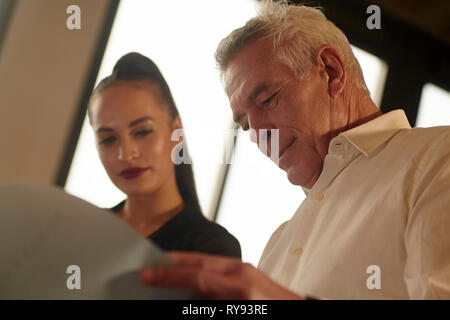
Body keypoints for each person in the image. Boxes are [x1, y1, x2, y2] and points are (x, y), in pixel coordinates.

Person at [138, 1, 450, 299]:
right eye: (245, 124)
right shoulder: (278, 245)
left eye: (267, 100)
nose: (258, 135)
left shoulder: (438, 158)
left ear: (330, 71)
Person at [87, 52, 241, 258]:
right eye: (108, 139)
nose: (126, 154)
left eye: (142, 132)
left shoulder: (211, 248)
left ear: (176, 131)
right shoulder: (84, 231)